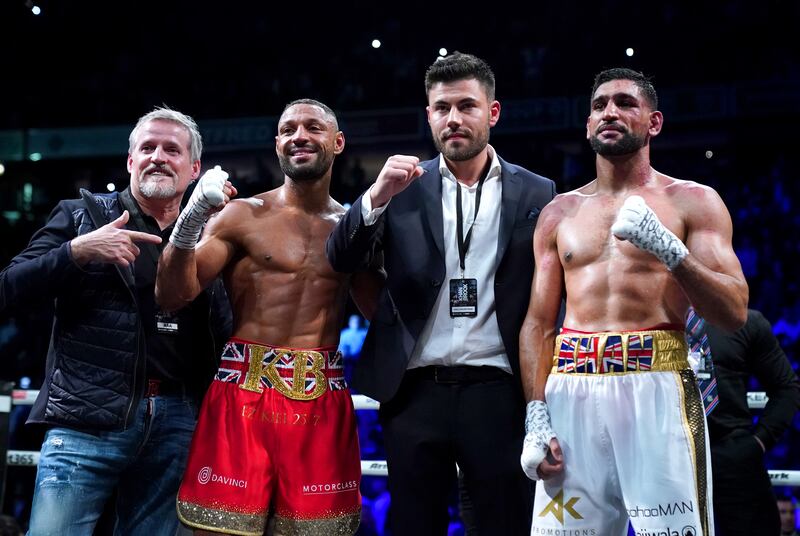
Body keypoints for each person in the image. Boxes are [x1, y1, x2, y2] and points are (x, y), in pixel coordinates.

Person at [326, 51, 556, 535]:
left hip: (498, 389)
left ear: (492, 112)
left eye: (467, 106)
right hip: (414, 391)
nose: (454, 118)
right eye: (442, 108)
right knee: (414, 525)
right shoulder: (401, 186)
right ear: (428, 115)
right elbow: (341, 258)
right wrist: (375, 197)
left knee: (504, 524)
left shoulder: (538, 192)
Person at [518, 67, 749, 536]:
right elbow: (539, 324)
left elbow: (734, 310)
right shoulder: (558, 213)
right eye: (600, 104)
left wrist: (672, 253)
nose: (610, 112)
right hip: (571, 389)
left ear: (654, 122)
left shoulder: (694, 202)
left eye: (625, 103)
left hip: (657, 387)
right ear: (587, 125)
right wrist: (536, 415)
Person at [0, 107, 232, 535]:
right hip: (87, 417)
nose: (158, 156)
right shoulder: (79, 216)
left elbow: (226, 327)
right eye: (147, 147)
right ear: (130, 161)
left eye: (172, 150)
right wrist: (76, 253)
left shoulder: (213, 232)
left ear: (195, 168)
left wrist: (213, 233)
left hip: (178, 422)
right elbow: (8, 287)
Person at [156, 99, 381, 535]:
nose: (299, 136)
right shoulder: (242, 216)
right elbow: (172, 294)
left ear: (337, 143)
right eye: (288, 129)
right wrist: (190, 220)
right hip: (241, 396)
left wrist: (379, 240)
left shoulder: (353, 226)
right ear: (277, 143)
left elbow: (380, 315)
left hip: (320, 400)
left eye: (313, 127)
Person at [704, 309, 800, 535]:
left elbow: (787, 387)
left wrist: (759, 441)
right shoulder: (650, 321)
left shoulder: (743, 321)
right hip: (671, 455)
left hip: (732, 452)